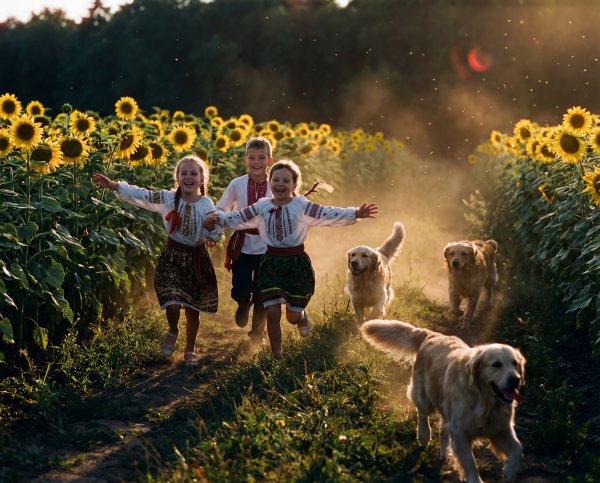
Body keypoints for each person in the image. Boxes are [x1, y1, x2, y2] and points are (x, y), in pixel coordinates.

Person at [204, 159, 378, 358]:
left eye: (286, 180)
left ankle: (301, 318)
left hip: (295, 263)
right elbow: (239, 217)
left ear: (295, 185)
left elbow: (327, 212)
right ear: (270, 184)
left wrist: (355, 212)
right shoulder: (261, 206)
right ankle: (277, 356)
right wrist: (217, 218)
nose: (280, 184)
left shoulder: (301, 205)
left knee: (292, 316)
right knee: (272, 313)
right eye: (276, 179)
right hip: (270, 263)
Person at [92, 155, 223, 367]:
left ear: (202, 179)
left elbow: (216, 234)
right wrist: (115, 186)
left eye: (193, 173)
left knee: (192, 308)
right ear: (177, 178)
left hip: (195, 259)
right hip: (172, 256)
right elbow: (142, 194)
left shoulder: (206, 203)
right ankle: (173, 329)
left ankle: (190, 348)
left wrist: (210, 227)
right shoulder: (168, 199)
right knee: (171, 302)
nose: (188, 177)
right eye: (184, 173)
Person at [215, 137, 273, 344]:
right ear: (246, 160)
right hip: (242, 243)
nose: (256, 162)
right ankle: (242, 303)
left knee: (262, 292)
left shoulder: (276, 185)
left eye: (261, 158)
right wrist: (215, 223)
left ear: (270, 160)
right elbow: (222, 207)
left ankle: (258, 334)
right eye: (252, 158)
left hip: (267, 246)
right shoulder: (237, 184)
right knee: (240, 287)